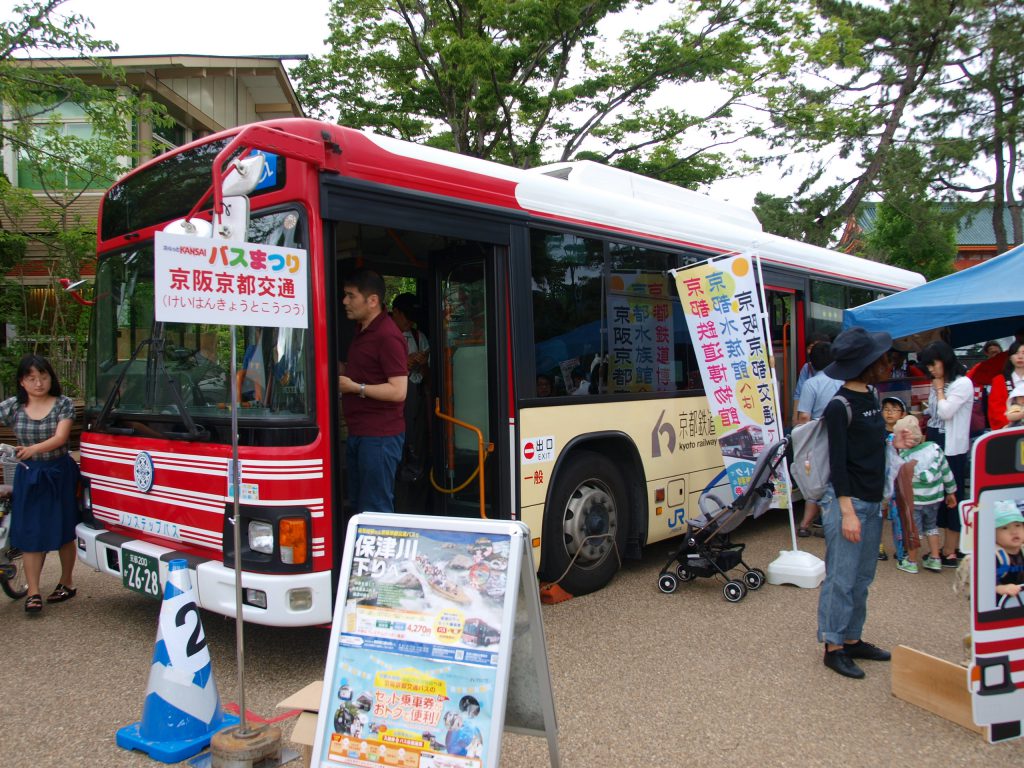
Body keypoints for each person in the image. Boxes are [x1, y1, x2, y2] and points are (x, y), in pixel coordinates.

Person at [816, 327, 893, 679]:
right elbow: (838, 463)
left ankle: (852, 637)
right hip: (849, 504)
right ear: (867, 365)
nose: (889, 363)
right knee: (841, 579)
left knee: (862, 578)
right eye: (883, 359)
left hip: (872, 502)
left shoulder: (873, 397)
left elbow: (872, 448)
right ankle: (833, 647)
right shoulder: (839, 406)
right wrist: (847, 512)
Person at [0, 355, 80, 614]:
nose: (38, 383)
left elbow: (61, 438)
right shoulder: (12, 406)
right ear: (22, 382)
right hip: (28, 473)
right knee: (29, 530)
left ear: (51, 377)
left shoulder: (63, 404)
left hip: (58, 472)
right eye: (32, 378)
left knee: (64, 527)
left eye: (43, 377)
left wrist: (33, 448)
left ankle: (65, 582)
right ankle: (33, 592)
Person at [338, 270, 408, 514]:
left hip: (379, 437)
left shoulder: (388, 336)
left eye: (350, 296)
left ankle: (379, 554)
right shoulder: (363, 331)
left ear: (372, 300)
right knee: (360, 506)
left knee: (375, 507)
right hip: (361, 433)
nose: (345, 301)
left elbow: (399, 391)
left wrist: (356, 388)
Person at [918, 340, 973, 567]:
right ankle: (941, 546)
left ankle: (951, 549)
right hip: (936, 444)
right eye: (928, 366)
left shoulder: (962, 383)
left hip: (952, 449)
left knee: (953, 497)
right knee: (938, 496)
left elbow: (947, 412)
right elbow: (933, 412)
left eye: (933, 363)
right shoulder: (938, 383)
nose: (931, 369)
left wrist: (940, 389)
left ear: (945, 359)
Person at [894, 415, 957, 573]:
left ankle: (912, 561)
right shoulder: (935, 449)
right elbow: (946, 472)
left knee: (913, 530)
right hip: (934, 499)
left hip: (914, 501)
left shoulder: (904, 458)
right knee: (931, 527)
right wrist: (951, 492)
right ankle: (935, 559)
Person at [794, 342, 842, 537]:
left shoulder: (811, 384)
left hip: (818, 439)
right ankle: (823, 522)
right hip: (840, 436)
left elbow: (804, 417)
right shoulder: (843, 381)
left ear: (811, 364)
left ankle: (806, 524)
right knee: (833, 478)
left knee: (815, 478)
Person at [391, 292, 431, 510]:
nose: (410, 322)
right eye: (406, 316)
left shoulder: (418, 337)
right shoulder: (384, 336)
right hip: (392, 397)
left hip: (414, 395)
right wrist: (403, 364)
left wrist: (421, 364)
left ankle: (415, 504)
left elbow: (428, 374)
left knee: (416, 447)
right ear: (395, 312)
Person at [879, 396, 909, 563]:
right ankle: (878, 544)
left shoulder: (904, 434)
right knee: (880, 513)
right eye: (886, 409)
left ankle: (901, 547)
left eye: (894, 409)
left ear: (903, 414)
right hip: (881, 479)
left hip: (899, 481)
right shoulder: (877, 431)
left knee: (900, 514)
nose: (889, 413)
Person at [792, 332, 829, 426]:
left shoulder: (810, 384)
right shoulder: (807, 367)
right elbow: (798, 394)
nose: (811, 351)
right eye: (809, 347)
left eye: (815, 347)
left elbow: (804, 417)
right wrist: (795, 420)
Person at [986, 340, 1024, 430]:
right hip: (1008, 430)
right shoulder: (999, 380)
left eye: (1023, 353)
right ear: (1010, 357)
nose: (1020, 357)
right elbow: (995, 410)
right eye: (1016, 353)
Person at [993, 500, 1024, 608]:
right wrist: (1001, 588)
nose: (1014, 531)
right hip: (1000, 608)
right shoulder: (996, 557)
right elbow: (982, 583)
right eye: (1005, 528)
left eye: (1017, 525)